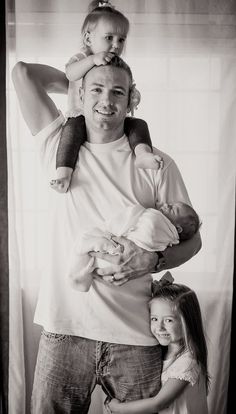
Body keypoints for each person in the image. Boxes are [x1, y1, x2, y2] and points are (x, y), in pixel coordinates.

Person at [12, 55, 202, 413]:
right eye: (96, 90)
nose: (107, 100)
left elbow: (195, 239)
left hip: (135, 337)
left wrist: (153, 259)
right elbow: (22, 73)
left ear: (132, 100)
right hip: (63, 330)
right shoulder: (58, 148)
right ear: (80, 95)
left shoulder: (156, 163)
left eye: (118, 91)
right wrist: (79, 78)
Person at [51, 0, 163, 193]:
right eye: (109, 37)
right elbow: (70, 74)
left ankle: (143, 154)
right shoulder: (82, 57)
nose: (115, 45)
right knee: (70, 135)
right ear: (88, 39)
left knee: (138, 124)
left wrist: (133, 97)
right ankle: (64, 173)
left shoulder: (115, 63)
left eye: (121, 40)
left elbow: (124, 86)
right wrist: (92, 60)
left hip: (110, 120)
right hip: (80, 116)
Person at [107, 275, 209, 414]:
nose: (159, 327)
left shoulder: (187, 363)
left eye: (168, 320)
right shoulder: (158, 354)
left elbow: (158, 404)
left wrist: (117, 408)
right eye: (154, 319)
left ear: (188, 321)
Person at [69, 202, 200, 291]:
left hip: (121, 272)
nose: (165, 204)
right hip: (67, 304)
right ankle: (82, 276)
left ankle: (81, 275)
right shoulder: (64, 169)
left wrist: (154, 259)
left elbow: (195, 243)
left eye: (171, 207)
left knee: (87, 240)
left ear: (177, 228)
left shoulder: (161, 166)